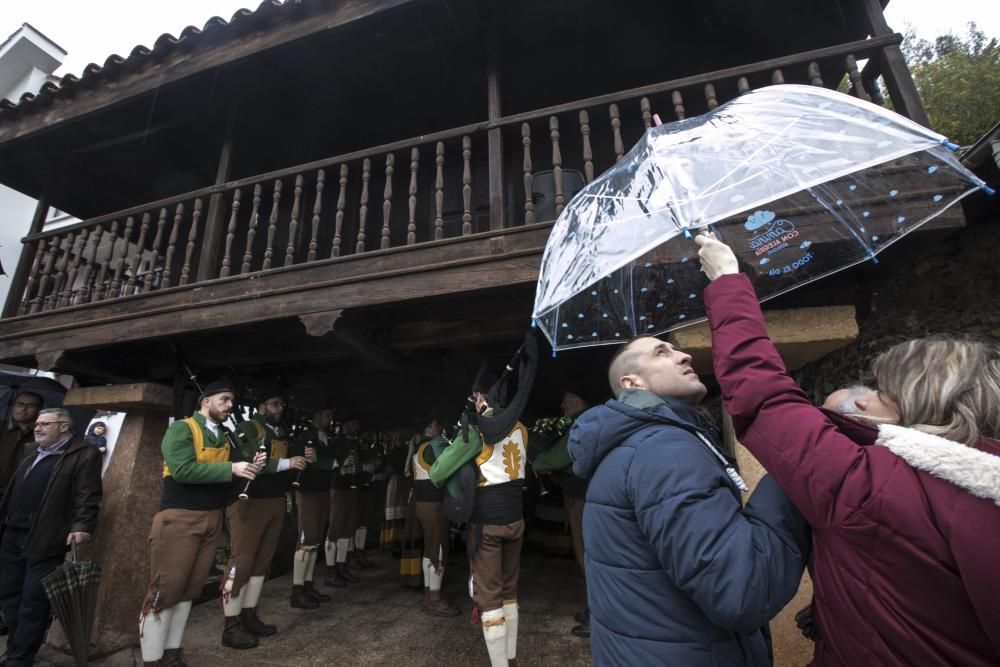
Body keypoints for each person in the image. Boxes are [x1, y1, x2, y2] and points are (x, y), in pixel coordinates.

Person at [696, 233, 1000, 666]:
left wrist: (726, 279)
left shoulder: (872, 486)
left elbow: (764, 397)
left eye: (881, 391)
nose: (862, 400)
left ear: (920, 403)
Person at [567, 336, 810, 666]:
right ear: (631, 383)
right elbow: (742, 591)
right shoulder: (664, 449)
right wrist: (789, 476)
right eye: (661, 353)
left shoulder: (631, 446)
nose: (684, 356)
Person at [139, 379, 264, 667]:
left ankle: (171, 655)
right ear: (205, 401)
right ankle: (152, 661)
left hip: (211, 517)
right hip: (180, 517)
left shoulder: (224, 436)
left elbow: (228, 484)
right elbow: (182, 469)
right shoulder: (182, 428)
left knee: (188, 592)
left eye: (231, 401)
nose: (230, 405)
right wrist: (231, 468)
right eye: (224, 399)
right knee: (165, 590)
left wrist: (247, 471)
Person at [430, 372, 530, 667]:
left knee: (489, 597)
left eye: (476, 396)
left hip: (487, 524)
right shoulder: (522, 428)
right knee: (510, 591)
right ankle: (510, 659)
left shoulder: (476, 432)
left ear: (482, 397)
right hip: (516, 520)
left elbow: (437, 473)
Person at [0, 408, 102, 667]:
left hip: (45, 535)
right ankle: (15, 646)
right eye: (37, 424)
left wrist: (82, 525)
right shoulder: (33, 452)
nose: (37, 427)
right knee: (9, 593)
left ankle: (21, 656)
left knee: (33, 600)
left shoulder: (83, 453)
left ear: (64, 427)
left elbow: (87, 494)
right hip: (12, 532)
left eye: (45, 424)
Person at [223, 387, 309, 649]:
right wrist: (287, 463)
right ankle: (230, 625)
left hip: (274, 500)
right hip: (250, 501)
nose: (279, 409)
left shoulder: (280, 432)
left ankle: (249, 614)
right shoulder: (249, 428)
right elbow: (248, 458)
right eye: (274, 404)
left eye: (281, 404)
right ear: (261, 407)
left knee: (262, 562)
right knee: (242, 561)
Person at [531, 389, 592, 638]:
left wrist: (536, 464)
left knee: (587, 554)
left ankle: (598, 614)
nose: (561, 403)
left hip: (580, 494)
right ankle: (595, 609)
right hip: (587, 492)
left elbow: (559, 457)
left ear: (578, 399)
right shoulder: (590, 420)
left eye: (565, 398)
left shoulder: (583, 423)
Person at [408, 417, 459, 617]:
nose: (441, 428)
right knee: (438, 549)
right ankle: (435, 599)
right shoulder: (431, 447)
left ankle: (429, 594)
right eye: (438, 425)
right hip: (433, 504)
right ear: (428, 428)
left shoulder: (418, 446)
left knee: (430, 548)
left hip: (422, 503)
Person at [287, 408, 337, 609]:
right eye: (327, 415)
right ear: (316, 416)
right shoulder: (305, 437)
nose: (330, 419)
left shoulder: (325, 437)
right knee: (306, 540)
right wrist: (329, 463)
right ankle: (297, 590)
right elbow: (298, 461)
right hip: (308, 492)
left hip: (322, 490)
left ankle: (308, 585)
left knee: (314, 541)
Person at [324, 415, 362, 587]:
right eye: (352, 423)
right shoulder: (335, 443)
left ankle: (341, 566)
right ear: (344, 424)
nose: (356, 426)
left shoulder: (355, 443)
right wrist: (343, 465)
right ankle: (331, 571)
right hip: (338, 488)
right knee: (336, 529)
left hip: (351, 487)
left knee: (347, 528)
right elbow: (330, 466)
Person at [0, 392, 42, 499]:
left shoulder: (42, 433)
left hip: (20, 491)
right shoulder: (1, 428)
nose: (24, 409)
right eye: (20, 404)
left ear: (39, 409)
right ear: (13, 406)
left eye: (31, 405)